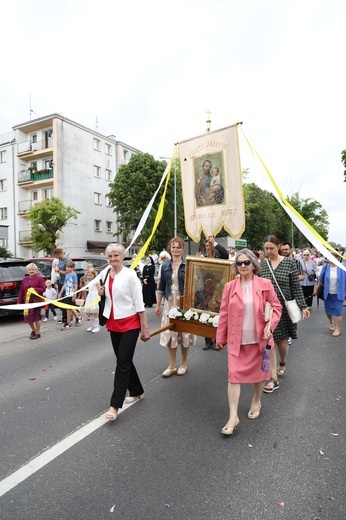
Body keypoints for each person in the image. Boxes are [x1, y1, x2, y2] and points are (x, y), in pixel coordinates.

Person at [215, 249, 282, 436]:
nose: (242, 266)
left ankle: (256, 400)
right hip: (237, 341)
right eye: (239, 263)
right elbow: (224, 314)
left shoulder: (265, 284)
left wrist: (271, 325)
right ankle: (233, 416)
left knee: (261, 374)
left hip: (263, 340)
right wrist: (220, 337)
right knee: (233, 376)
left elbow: (277, 307)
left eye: (246, 263)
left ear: (253, 264)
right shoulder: (230, 287)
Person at [98, 243, 150, 421]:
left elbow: (139, 302)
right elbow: (104, 296)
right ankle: (137, 390)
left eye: (116, 255)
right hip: (113, 322)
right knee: (123, 360)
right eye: (110, 256)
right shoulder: (105, 273)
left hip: (130, 323)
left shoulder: (130, 275)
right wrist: (101, 293)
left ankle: (114, 405)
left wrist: (145, 327)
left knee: (122, 363)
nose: (113, 259)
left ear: (122, 256)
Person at [258, 235, 310, 391]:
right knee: (269, 341)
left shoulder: (289, 263)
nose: (268, 251)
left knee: (281, 341)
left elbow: (296, 287)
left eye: (271, 248)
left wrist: (304, 306)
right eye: (266, 248)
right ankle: (271, 376)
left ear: (278, 247)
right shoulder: (263, 264)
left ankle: (283, 362)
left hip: (283, 309)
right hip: (267, 310)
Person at [155, 237, 196, 377]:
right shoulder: (164, 265)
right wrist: (157, 305)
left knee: (184, 332)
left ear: (183, 249)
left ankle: (183, 362)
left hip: (184, 301)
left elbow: (194, 284)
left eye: (178, 247)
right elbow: (161, 287)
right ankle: (172, 365)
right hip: (169, 301)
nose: (176, 249)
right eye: (173, 247)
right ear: (169, 249)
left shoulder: (189, 264)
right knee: (170, 332)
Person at [203, 235, 229, 350]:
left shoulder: (220, 254)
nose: (208, 247)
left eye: (210, 245)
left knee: (217, 312)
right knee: (205, 312)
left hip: (219, 287)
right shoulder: (204, 257)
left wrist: (215, 243)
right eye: (207, 246)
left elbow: (226, 254)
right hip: (207, 288)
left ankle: (217, 338)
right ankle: (208, 341)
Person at [313, 253, 346, 337]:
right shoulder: (325, 267)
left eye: (335, 257)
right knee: (328, 310)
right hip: (328, 293)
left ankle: (337, 328)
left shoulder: (343, 268)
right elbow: (321, 279)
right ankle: (331, 322)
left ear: (338, 258)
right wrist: (316, 289)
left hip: (339, 293)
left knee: (338, 311)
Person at [17, 262, 46, 340]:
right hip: (27, 301)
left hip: (36, 301)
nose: (31, 271)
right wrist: (19, 301)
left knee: (37, 317)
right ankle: (33, 330)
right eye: (30, 269)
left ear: (35, 270)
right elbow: (22, 290)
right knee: (27, 317)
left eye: (33, 269)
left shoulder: (39, 278)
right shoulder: (25, 279)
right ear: (27, 271)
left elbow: (43, 289)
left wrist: (34, 290)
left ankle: (37, 333)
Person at [58, 261, 83, 330]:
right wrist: (60, 293)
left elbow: (75, 285)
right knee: (69, 308)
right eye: (66, 267)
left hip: (71, 294)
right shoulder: (67, 275)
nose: (67, 268)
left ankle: (68, 323)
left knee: (68, 309)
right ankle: (78, 318)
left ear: (73, 268)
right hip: (67, 294)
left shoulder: (74, 275)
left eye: (69, 267)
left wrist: (74, 294)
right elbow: (65, 284)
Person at [53, 248, 70, 325]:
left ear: (59, 254)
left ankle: (68, 318)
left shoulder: (68, 261)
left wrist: (58, 270)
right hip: (60, 282)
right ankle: (64, 317)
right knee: (61, 301)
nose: (56, 258)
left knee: (66, 301)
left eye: (56, 256)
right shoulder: (60, 260)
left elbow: (68, 272)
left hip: (65, 283)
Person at [84, 269, 100, 333]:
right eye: (88, 275)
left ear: (94, 275)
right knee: (88, 311)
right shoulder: (89, 282)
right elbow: (90, 290)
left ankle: (96, 326)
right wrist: (85, 290)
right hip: (90, 296)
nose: (89, 276)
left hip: (95, 297)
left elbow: (98, 289)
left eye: (91, 275)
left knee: (95, 312)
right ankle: (93, 325)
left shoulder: (96, 281)